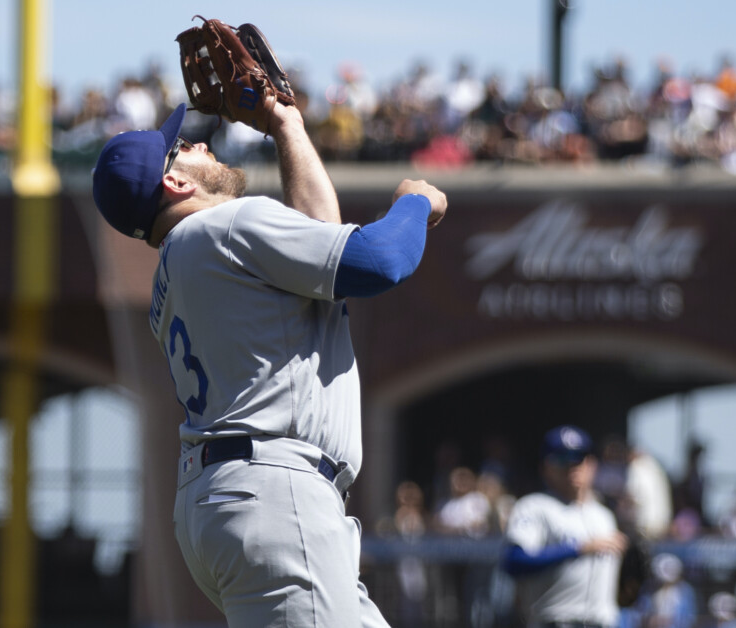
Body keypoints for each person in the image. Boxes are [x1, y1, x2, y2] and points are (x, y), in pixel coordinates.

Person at [91, 98, 447, 627]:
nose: (201, 145)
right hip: (273, 491)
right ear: (176, 184)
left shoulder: (179, 268)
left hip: (238, 494)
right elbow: (377, 261)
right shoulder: (225, 227)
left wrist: (288, 127)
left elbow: (320, 243)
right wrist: (413, 204)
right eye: (182, 148)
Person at [502, 425, 629, 628]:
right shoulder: (533, 506)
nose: (572, 465)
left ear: (592, 464)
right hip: (555, 620)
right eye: (561, 458)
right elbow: (514, 561)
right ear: (545, 467)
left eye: (578, 457)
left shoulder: (604, 516)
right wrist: (577, 549)